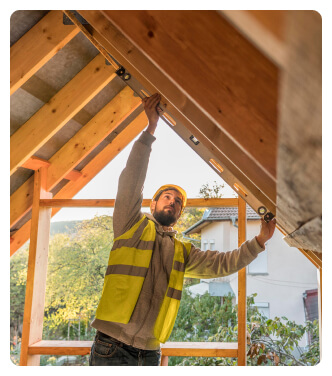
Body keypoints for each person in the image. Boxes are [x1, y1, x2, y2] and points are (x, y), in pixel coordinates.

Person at [89, 93, 276, 366]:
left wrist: (259, 240)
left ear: (179, 214)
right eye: (167, 197)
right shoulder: (131, 225)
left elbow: (223, 264)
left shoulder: (181, 251)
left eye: (178, 202)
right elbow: (130, 181)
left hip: (150, 352)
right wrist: (150, 130)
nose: (173, 202)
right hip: (112, 346)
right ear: (152, 203)